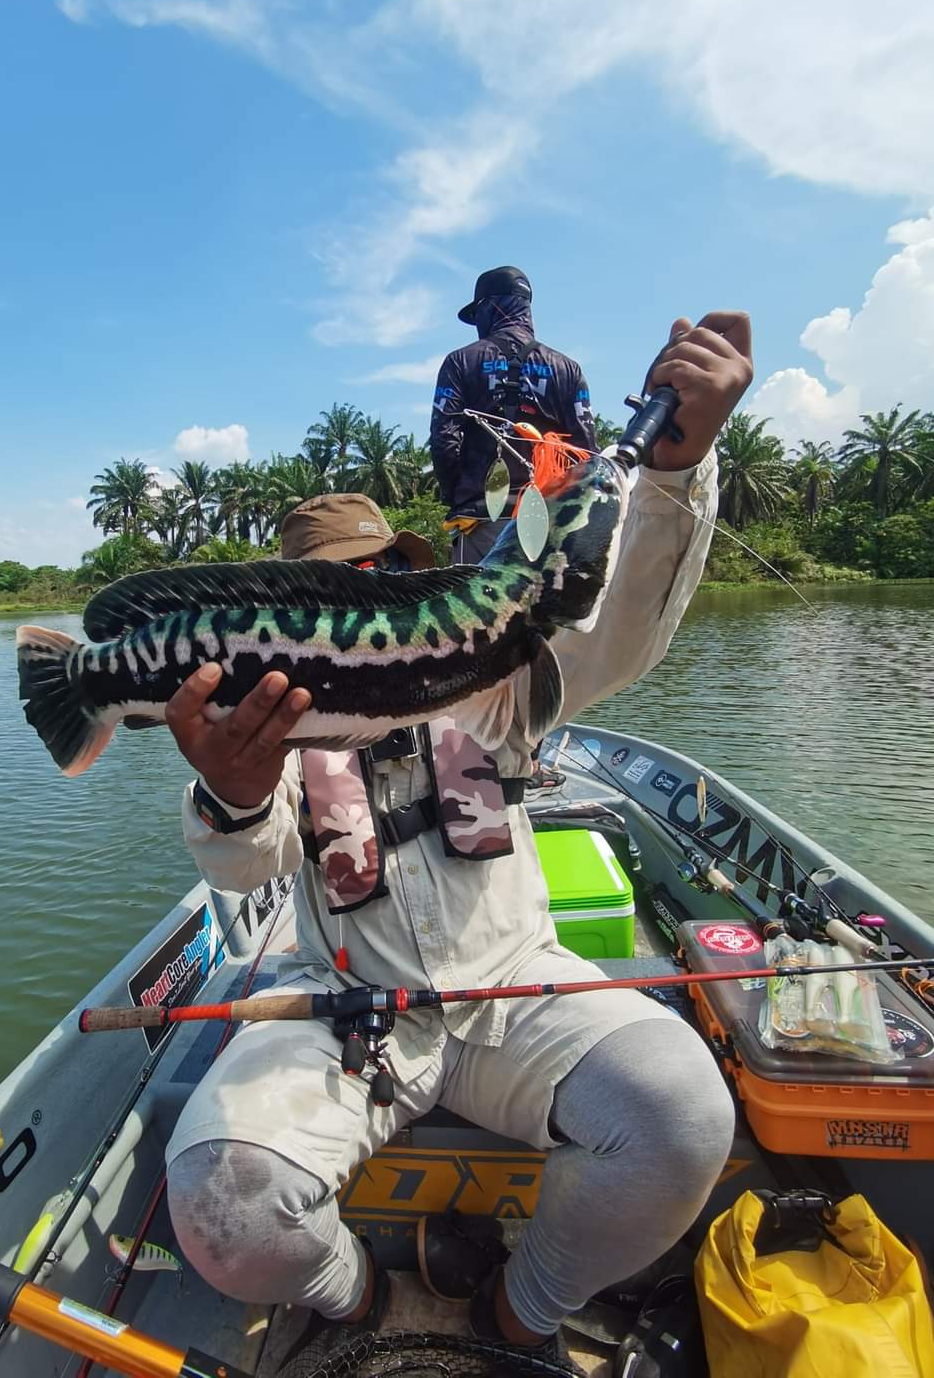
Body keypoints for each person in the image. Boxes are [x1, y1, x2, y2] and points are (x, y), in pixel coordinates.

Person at [163, 313, 753, 1364]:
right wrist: (238, 793)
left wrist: (678, 471)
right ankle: (360, 1305)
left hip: (520, 986)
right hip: (351, 1008)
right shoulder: (264, 721)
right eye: (338, 589)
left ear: (411, 574)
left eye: (385, 570)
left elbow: (619, 622)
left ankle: (516, 1315)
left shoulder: (492, 675)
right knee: (220, 1203)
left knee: (682, 1120)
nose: (372, 594)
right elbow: (247, 868)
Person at [430, 266, 594, 564]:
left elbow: (444, 441)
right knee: (549, 611)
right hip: (551, 523)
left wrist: (458, 496)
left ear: (488, 308)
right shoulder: (568, 369)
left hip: (481, 522)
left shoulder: (460, 362)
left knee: (478, 611)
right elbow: (586, 455)